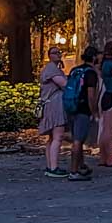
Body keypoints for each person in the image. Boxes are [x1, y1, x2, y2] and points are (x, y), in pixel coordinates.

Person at [67, 45, 101, 181]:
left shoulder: (75, 70)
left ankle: (81, 165)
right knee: (78, 141)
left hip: (71, 106)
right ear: (94, 58)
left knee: (77, 138)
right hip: (83, 108)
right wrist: (94, 111)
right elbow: (91, 95)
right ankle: (74, 171)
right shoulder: (90, 73)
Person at [38, 46, 68, 178]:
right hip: (55, 105)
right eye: (55, 53)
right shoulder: (51, 69)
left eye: (59, 52)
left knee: (52, 137)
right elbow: (64, 84)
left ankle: (51, 165)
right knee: (58, 136)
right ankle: (54, 167)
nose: (58, 55)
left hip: (52, 104)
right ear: (49, 55)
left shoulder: (54, 69)